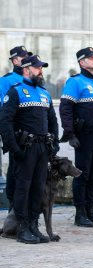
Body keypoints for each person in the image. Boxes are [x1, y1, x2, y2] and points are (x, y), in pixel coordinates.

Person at [0, 55, 59, 244]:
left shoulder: (44, 93)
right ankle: (22, 227)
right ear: (26, 70)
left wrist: (54, 142)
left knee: (37, 188)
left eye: (41, 67)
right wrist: (14, 148)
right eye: (38, 68)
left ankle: (34, 225)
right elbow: (5, 121)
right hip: (25, 149)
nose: (41, 71)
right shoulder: (15, 92)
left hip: (43, 148)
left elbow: (52, 121)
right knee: (22, 189)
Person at [59, 47, 93, 227]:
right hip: (85, 136)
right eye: (90, 58)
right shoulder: (75, 82)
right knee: (82, 174)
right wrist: (70, 134)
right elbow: (65, 109)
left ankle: (91, 211)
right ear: (82, 62)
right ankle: (80, 213)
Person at [0, 46, 33, 208]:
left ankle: (25, 206)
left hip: (32, 135)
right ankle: (13, 207)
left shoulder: (31, 79)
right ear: (14, 61)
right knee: (15, 169)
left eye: (27, 56)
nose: (26, 58)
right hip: (15, 134)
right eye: (22, 57)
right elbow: (4, 110)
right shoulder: (6, 81)